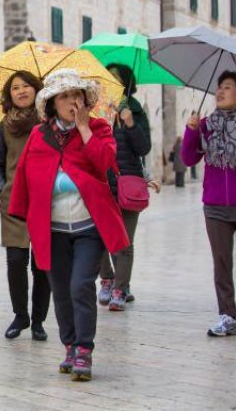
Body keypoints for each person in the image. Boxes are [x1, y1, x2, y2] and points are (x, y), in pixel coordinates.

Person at [9, 69, 129, 381]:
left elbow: (105, 163)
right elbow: (24, 174)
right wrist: (22, 213)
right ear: (52, 102)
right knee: (61, 291)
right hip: (53, 230)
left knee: (80, 286)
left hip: (89, 227)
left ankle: (84, 350)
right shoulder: (39, 135)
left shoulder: (99, 128)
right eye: (65, 96)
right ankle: (70, 346)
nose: (72, 101)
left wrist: (84, 129)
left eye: (77, 95)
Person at [181, 71, 236, 337]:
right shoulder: (205, 125)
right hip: (215, 205)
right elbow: (189, 159)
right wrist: (191, 131)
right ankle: (227, 315)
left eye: (227, 87)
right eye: (219, 87)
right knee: (222, 261)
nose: (220, 91)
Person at [0, 71, 51, 340]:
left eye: (26, 86)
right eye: (15, 87)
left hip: (45, 201)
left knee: (42, 264)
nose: (22, 91)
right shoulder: (4, 126)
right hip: (14, 201)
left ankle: (38, 320)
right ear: (9, 94)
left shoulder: (49, 124)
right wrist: (3, 189)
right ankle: (20, 315)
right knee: (15, 260)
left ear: (37, 90)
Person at [98, 65, 152, 311]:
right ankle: (108, 280)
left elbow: (143, 149)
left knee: (124, 241)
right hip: (101, 182)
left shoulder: (136, 111)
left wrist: (130, 123)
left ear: (126, 84)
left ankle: (121, 288)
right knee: (99, 238)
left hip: (129, 181)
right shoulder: (97, 111)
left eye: (114, 78)